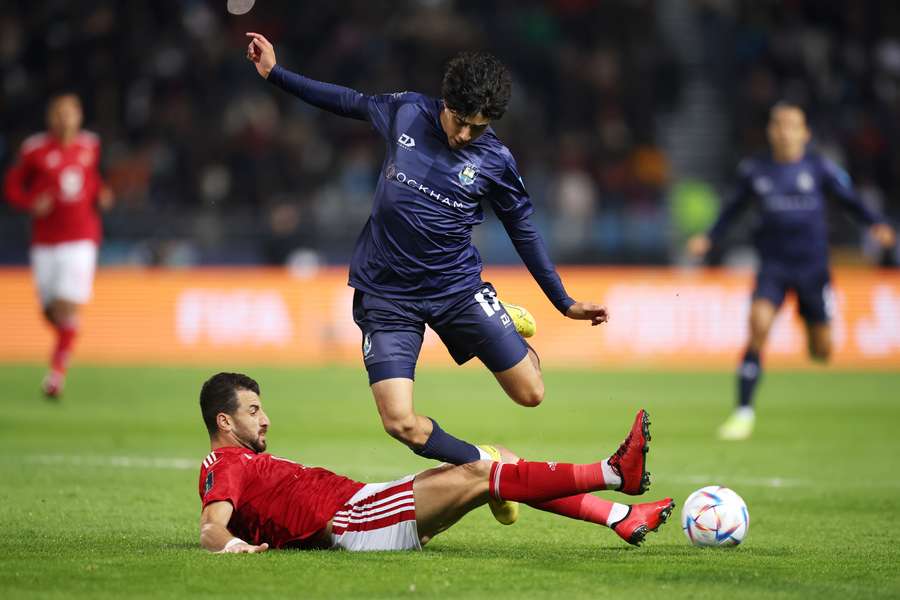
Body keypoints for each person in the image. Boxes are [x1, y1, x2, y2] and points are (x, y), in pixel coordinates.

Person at [245, 32, 610, 524]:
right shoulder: (406, 113)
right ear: (447, 102)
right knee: (400, 422)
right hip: (387, 295)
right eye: (460, 121)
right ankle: (486, 464)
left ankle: (502, 317)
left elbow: (524, 230)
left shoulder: (495, 161)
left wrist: (563, 302)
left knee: (531, 393)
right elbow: (344, 101)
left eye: (477, 129)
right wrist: (275, 74)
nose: (464, 136)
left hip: (456, 289)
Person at [197, 372, 674, 553]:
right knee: (483, 471)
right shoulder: (225, 460)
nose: (266, 420)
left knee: (498, 459)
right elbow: (210, 526)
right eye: (253, 411)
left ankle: (621, 517)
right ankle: (613, 473)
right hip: (354, 520)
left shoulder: (243, 459)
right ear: (224, 419)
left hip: (366, 505)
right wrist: (233, 547)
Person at [687, 102, 896, 440]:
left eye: (791, 125)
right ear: (771, 132)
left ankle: (813, 319)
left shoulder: (820, 168)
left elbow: (850, 200)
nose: (784, 131)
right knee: (758, 326)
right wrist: (709, 237)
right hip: (773, 267)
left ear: (805, 133)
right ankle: (743, 412)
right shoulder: (755, 171)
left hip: (813, 270)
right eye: (778, 125)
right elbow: (732, 209)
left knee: (822, 350)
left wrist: (876, 224)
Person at [3, 93, 114, 398]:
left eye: (71, 113)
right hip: (45, 241)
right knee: (50, 310)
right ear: (51, 118)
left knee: (66, 304)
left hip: (81, 239)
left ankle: (55, 375)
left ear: (79, 117)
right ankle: (69, 335)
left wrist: (101, 192)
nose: (65, 119)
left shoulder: (90, 144)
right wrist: (29, 203)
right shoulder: (34, 149)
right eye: (60, 113)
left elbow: (90, 179)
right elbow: (12, 186)